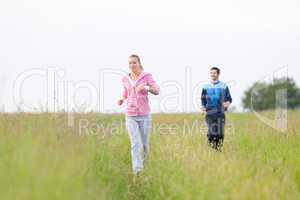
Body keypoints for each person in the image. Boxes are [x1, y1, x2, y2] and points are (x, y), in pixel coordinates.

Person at [118, 54, 160, 175]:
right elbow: (126, 92)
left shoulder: (147, 76)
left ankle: (146, 168)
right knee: (135, 143)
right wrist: (122, 99)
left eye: (134, 62)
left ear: (139, 63)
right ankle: (138, 172)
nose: (132, 65)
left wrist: (146, 87)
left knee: (145, 145)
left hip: (144, 115)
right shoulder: (125, 78)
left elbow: (157, 90)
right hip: (130, 114)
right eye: (130, 63)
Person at [201, 67, 232, 150]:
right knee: (212, 132)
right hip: (209, 113)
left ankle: (218, 150)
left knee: (220, 133)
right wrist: (203, 107)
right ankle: (211, 147)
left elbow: (229, 99)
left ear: (218, 74)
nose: (212, 74)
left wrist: (227, 104)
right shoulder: (205, 87)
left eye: (214, 73)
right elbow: (203, 99)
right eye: (211, 73)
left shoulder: (224, 86)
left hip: (220, 113)